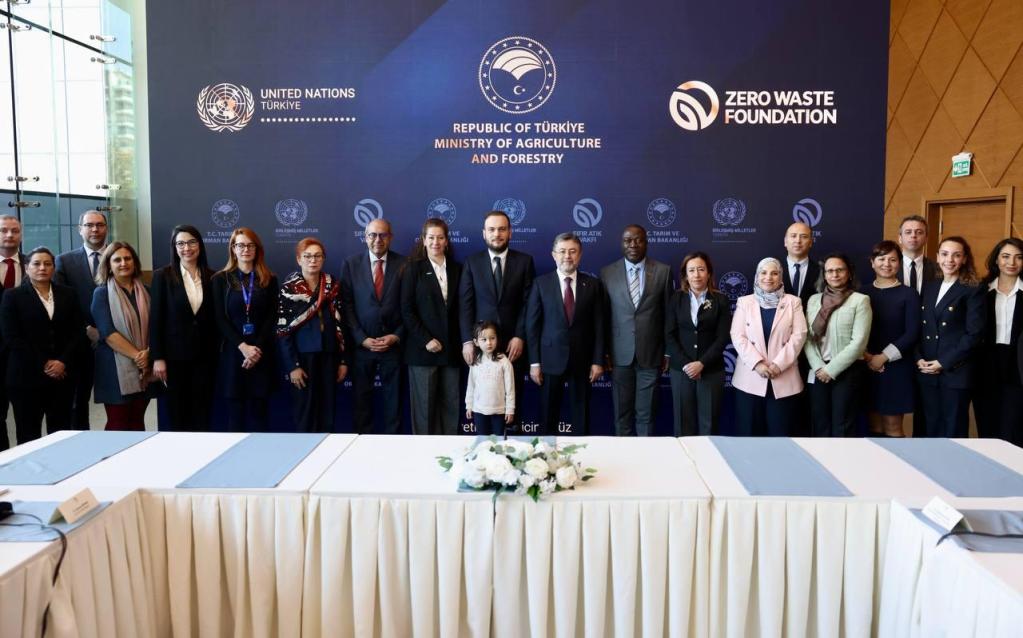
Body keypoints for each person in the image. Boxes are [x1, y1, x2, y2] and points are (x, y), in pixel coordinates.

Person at [0, 247, 86, 445]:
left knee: (61, 432)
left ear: (54, 268)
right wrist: (46, 363)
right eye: (36, 263)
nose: (42, 268)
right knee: (28, 434)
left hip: (62, 375)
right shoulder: (12, 296)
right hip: (26, 377)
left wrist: (62, 361)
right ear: (27, 268)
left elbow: (78, 332)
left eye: (47, 264)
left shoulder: (68, 294)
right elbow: (12, 337)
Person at [458, 210, 535, 430]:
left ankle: (512, 455)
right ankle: (485, 455)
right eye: (491, 229)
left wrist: (520, 335)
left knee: (512, 403)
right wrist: (467, 341)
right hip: (480, 347)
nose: (497, 234)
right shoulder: (472, 263)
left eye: (502, 229)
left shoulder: (525, 262)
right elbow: (465, 306)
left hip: (513, 346)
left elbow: (529, 304)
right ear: (484, 233)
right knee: (483, 405)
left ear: (510, 232)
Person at [526, 232, 605, 435]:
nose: (567, 256)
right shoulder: (541, 284)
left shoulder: (593, 285)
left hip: (583, 361)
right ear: (554, 255)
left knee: (582, 415)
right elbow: (532, 326)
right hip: (550, 361)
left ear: (580, 255)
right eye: (562, 251)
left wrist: (597, 361)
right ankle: (545, 461)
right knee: (548, 416)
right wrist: (534, 363)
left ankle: (582, 459)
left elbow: (599, 325)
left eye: (572, 251)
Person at [600, 224, 672, 436]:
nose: (633, 244)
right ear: (622, 244)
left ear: (646, 242)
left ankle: (646, 458)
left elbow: (668, 315)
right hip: (618, 355)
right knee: (621, 414)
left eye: (638, 239)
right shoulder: (607, 273)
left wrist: (667, 351)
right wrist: (604, 352)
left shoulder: (663, 271)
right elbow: (603, 316)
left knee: (646, 413)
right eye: (628, 240)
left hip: (650, 355)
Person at [148, 224, 218, 431]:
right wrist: (158, 358)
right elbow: (156, 319)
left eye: (191, 242)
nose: (186, 248)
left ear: (200, 245)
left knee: (202, 412)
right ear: (174, 247)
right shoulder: (163, 276)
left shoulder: (212, 276)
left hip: (205, 358)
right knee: (178, 413)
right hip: (173, 358)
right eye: (180, 243)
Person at [340, 218, 406, 434]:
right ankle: (361, 447)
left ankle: (393, 446)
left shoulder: (404, 264)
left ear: (390, 237)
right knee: (361, 403)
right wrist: (361, 338)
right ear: (365, 237)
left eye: (383, 235)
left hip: (393, 346)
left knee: (393, 404)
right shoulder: (351, 264)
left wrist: (396, 336)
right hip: (362, 347)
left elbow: (410, 306)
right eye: (372, 235)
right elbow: (346, 305)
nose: (378, 240)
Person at [277, 238, 348, 432]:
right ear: (299, 259)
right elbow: (283, 331)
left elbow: (342, 325)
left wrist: (343, 361)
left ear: (323, 259)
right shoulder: (288, 289)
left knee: (328, 412)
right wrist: (293, 366)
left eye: (317, 256)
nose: (313, 260)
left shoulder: (332, 285)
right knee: (305, 412)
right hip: (302, 359)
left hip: (329, 355)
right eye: (307, 256)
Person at [916, 236, 985, 438]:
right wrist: (918, 357)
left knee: (952, 430)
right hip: (927, 370)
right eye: (945, 254)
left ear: (964, 259)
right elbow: (921, 328)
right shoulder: (930, 287)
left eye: (957, 255)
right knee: (929, 428)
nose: (950, 260)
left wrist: (943, 362)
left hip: (955, 372)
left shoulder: (973, 289)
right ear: (937, 257)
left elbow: (974, 334)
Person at [730, 257, 808, 436]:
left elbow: (799, 336)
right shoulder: (745, 302)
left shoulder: (793, 302)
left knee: (781, 437)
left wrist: (777, 365)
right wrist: (758, 364)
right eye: (763, 273)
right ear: (757, 277)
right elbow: (737, 335)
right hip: (749, 380)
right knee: (749, 436)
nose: (768, 277)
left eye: (774, 273)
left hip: (783, 378)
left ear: (781, 278)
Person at [212, 228, 279, 432]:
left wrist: (255, 349)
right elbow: (219, 319)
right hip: (234, 354)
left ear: (257, 249)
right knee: (235, 415)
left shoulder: (269, 279)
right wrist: (243, 347)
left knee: (260, 413)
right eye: (240, 245)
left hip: (261, 353)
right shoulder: (220, 280)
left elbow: (272, 317)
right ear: (233, 249)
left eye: (250, 245)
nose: (246, 249)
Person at [401, 218, 462, 434]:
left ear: (447, 241)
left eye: (440, 237)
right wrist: (426, 339)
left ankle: (451, 458)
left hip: (452, 352)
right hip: (422, 352)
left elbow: (462, 310)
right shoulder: (412, 269)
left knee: (452, 409)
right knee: (424, 412)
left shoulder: (458, 269)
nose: (436, 242)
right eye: (431, 237)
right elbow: (406, 311)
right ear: (424, 241)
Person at [803, 253, 872, 437]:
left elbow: (859, 343)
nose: (835, 274)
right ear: (824, 275)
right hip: (818, 370)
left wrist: (831, 370)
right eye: (830, 271)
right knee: (820, 423)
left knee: (842, 426)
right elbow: (807, 339)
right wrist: (819, 367)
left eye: (840, 270)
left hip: (847, 371)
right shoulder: (813, 300)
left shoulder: (860, 300)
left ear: (849, 274)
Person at [664, 251, 731, 436]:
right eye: (691, 270)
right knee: (683, 425)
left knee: (708, 425)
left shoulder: (721, 300)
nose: (696, 274)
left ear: (708, 273)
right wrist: (687, 364)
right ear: (685, 275)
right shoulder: (676, 299)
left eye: (701, 269)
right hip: (681, 371)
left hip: (711, 371)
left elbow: (723, 337)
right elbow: (669, 335)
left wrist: (701, 363)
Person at [91, 241, 155, 430]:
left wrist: (148, 354)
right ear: (108, 265)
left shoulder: (147, 291)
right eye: (117, 259)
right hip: (114, 369)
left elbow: (156, 327)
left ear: (134, 262)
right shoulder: (101, 293)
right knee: (117, 423)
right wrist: (138, 356)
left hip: (145, 368)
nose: (123, 263)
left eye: (127, 258)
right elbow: (107, 333)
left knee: (137, 422)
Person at [55, 210, 108, 430]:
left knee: (122, 403)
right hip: (79, 342)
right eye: (89, 225)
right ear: (80, 229)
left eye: (99, 225)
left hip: (116, 340)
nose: (94, 229)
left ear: (106, 228)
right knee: (78, 403)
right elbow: (62, 304)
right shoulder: (64, 261)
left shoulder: (120, 256)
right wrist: (86, 328)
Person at [862, 241, 920, 438]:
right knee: (873, 426)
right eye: (881, 258)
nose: (887, 263)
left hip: (897, 367)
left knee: (892, 427)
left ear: (899, 263)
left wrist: (883, 357)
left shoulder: (909, 294)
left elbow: (912, 332)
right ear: (872, 262)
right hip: (866, 365)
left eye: (893, 259)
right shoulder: (862, 293)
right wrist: (868, 357)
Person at [975, 238, 1023, 445]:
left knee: (1014, 425)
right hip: (986, 364)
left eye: (1018, 257)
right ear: (996, 260)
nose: (1011, 262)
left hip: (1018, 365)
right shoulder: (981, 291)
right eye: (1005, 256)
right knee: (987, 423)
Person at [780, 221, 818, 435]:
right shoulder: (771, 270)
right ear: (785, 241)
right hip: (779, 349)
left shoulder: (822, 271)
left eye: (803, 236)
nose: (798, 240)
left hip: (812, 347)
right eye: (793, 236)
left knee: (807, 406)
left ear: (811, 242)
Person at [464, 320, 515, 435]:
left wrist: (510, 409)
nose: (489, 343)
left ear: (497, 339)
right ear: (476, 342)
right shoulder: (475, 362)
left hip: (499, 411)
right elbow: (471, 386)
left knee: (499, 443)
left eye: (492, 338)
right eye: (484, 339)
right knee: (483, 441)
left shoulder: (504, 362)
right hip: (479, 411)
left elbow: (510, 389)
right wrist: (469, 405)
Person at [896, 215, 937, 295]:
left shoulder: (938, 269)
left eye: (919, 232)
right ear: (900, 238)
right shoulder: (889, 268)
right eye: (908, 232)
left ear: (926, 239)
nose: (913, 235)